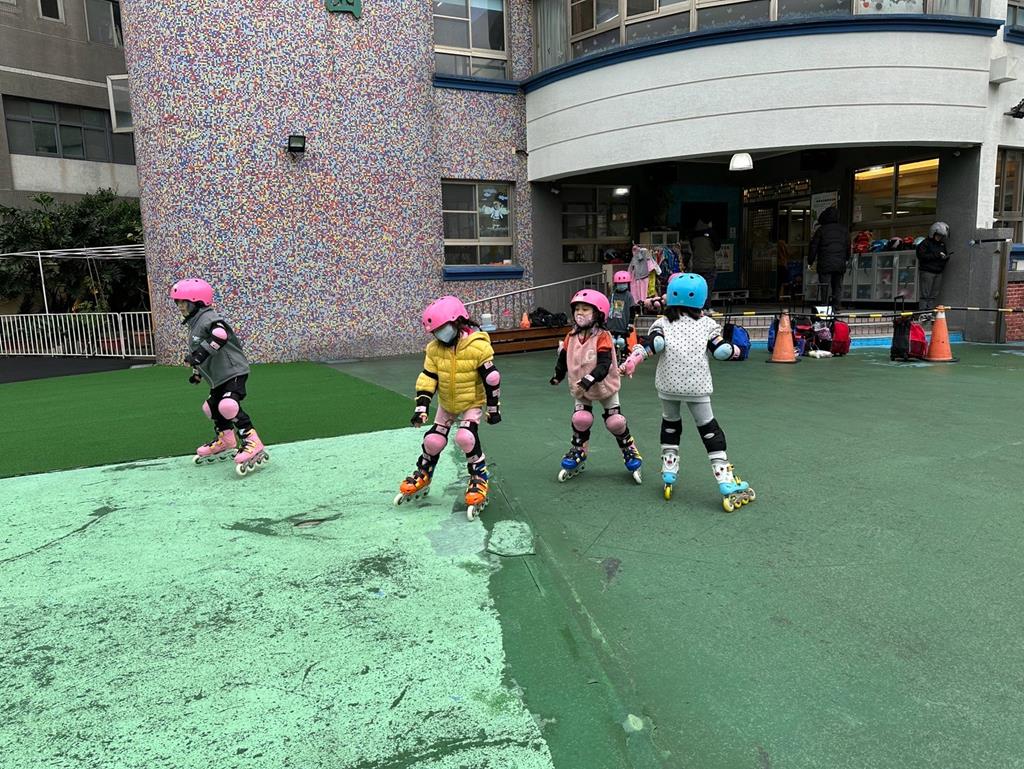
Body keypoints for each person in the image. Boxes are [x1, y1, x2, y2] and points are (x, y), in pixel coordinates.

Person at [619, 273, 755, 511]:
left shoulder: (663, 323)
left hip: (668, 386)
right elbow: (721, 351)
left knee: (670, 423)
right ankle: (724, 479)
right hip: (696, 387)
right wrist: (736, 350)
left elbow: (653, 344)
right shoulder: (707, 324)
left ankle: (669, 469)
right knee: (709, 429)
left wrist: (633, 360)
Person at [396, 295, 501, 521]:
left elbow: (492, 378)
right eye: (435, 331)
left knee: (465, 437)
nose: (439, 334)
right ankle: (424, 473)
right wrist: (421, 407)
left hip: (471, 401)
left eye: (442, 328)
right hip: (447, 403)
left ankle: (479, 477)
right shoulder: (434, 349)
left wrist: (493, 409)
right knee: (432, 440)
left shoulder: (478, 346)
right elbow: (428, 377)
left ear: (458, 321)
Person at [171, 278, 268, 476]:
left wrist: (199, 355)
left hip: (233, 371)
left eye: (184, 302)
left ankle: (252, 441)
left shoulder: (208, 318)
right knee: (211, 408)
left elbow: (220, 335)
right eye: (177, 302)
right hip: (218, 377)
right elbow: (200, 353)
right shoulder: (194, 323)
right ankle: (227, 439)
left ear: (198, 302)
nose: (180, 306)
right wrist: (197, 373)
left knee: (228, 406)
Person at [549, 289, 643, 484]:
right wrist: (558, 375)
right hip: (581, 386)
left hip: (604, 385)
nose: (580, 313)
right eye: (577, 309)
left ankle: (629, 450)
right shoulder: (571, 336)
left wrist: (590, 379)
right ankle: (579, 450)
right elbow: (563, 358)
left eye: (585, 309)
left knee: (615, 422)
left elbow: (604, 364)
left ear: (598, 314)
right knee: (581, 419)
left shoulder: (602, 336)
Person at [807, 206, 850, 312]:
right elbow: (848, 246)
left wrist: (810, 261)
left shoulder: (821, 230)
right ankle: (836, 305)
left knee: (825, 285)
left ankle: (825, 306)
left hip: (825, 263)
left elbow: (814, 247)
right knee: (837, 285)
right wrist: (846, 258)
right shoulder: (844, 230)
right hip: (840, 263)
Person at [916, 221, 950, 319]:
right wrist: (937, 255)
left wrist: (945, 258)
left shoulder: (942, 244)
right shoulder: (925, 243)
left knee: (933, 294)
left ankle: (929, 312)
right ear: (933, 233)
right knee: (925, 293)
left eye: (941, 236)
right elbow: (922, 256)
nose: (939, 238)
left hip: (938, 271)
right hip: (927, 271)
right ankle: (923, 312)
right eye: (938, 235)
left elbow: (943, 255)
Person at [689, 220, 720, 309]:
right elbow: (717, 246)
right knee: (708, 288)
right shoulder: (711, 233)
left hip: (696, 266)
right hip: (709, 266)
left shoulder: (693, 235)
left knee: (697, 288)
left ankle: (696, 308)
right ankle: (706, 308)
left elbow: (692, 248)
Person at [606, 270, 637, 354]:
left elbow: (632, 310)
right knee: (612, 342)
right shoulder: (613, 295)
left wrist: (630, 323)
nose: (622, 285)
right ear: (616, 284)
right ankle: (613, 356)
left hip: (623, 324)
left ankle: (624, 354)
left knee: (621, 341)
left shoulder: (628, 296)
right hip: (612, 324)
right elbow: (607, 307)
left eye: (624, 283)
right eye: (620, 283)